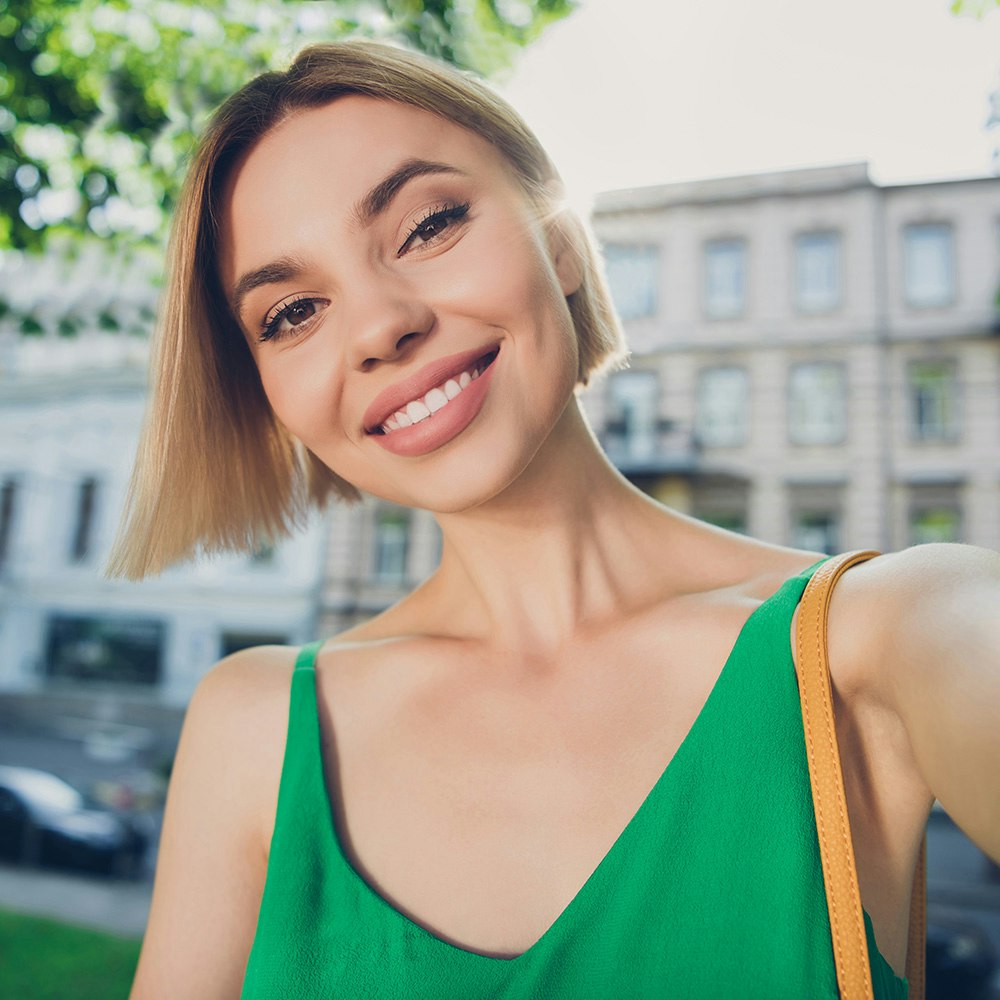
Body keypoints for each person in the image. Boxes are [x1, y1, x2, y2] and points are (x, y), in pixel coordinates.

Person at [112, 40, 1000, 1000]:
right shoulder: (254, 726)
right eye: (291, 313)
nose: (379, 327)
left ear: (562, 240)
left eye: (430, 225)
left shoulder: (889, 635)